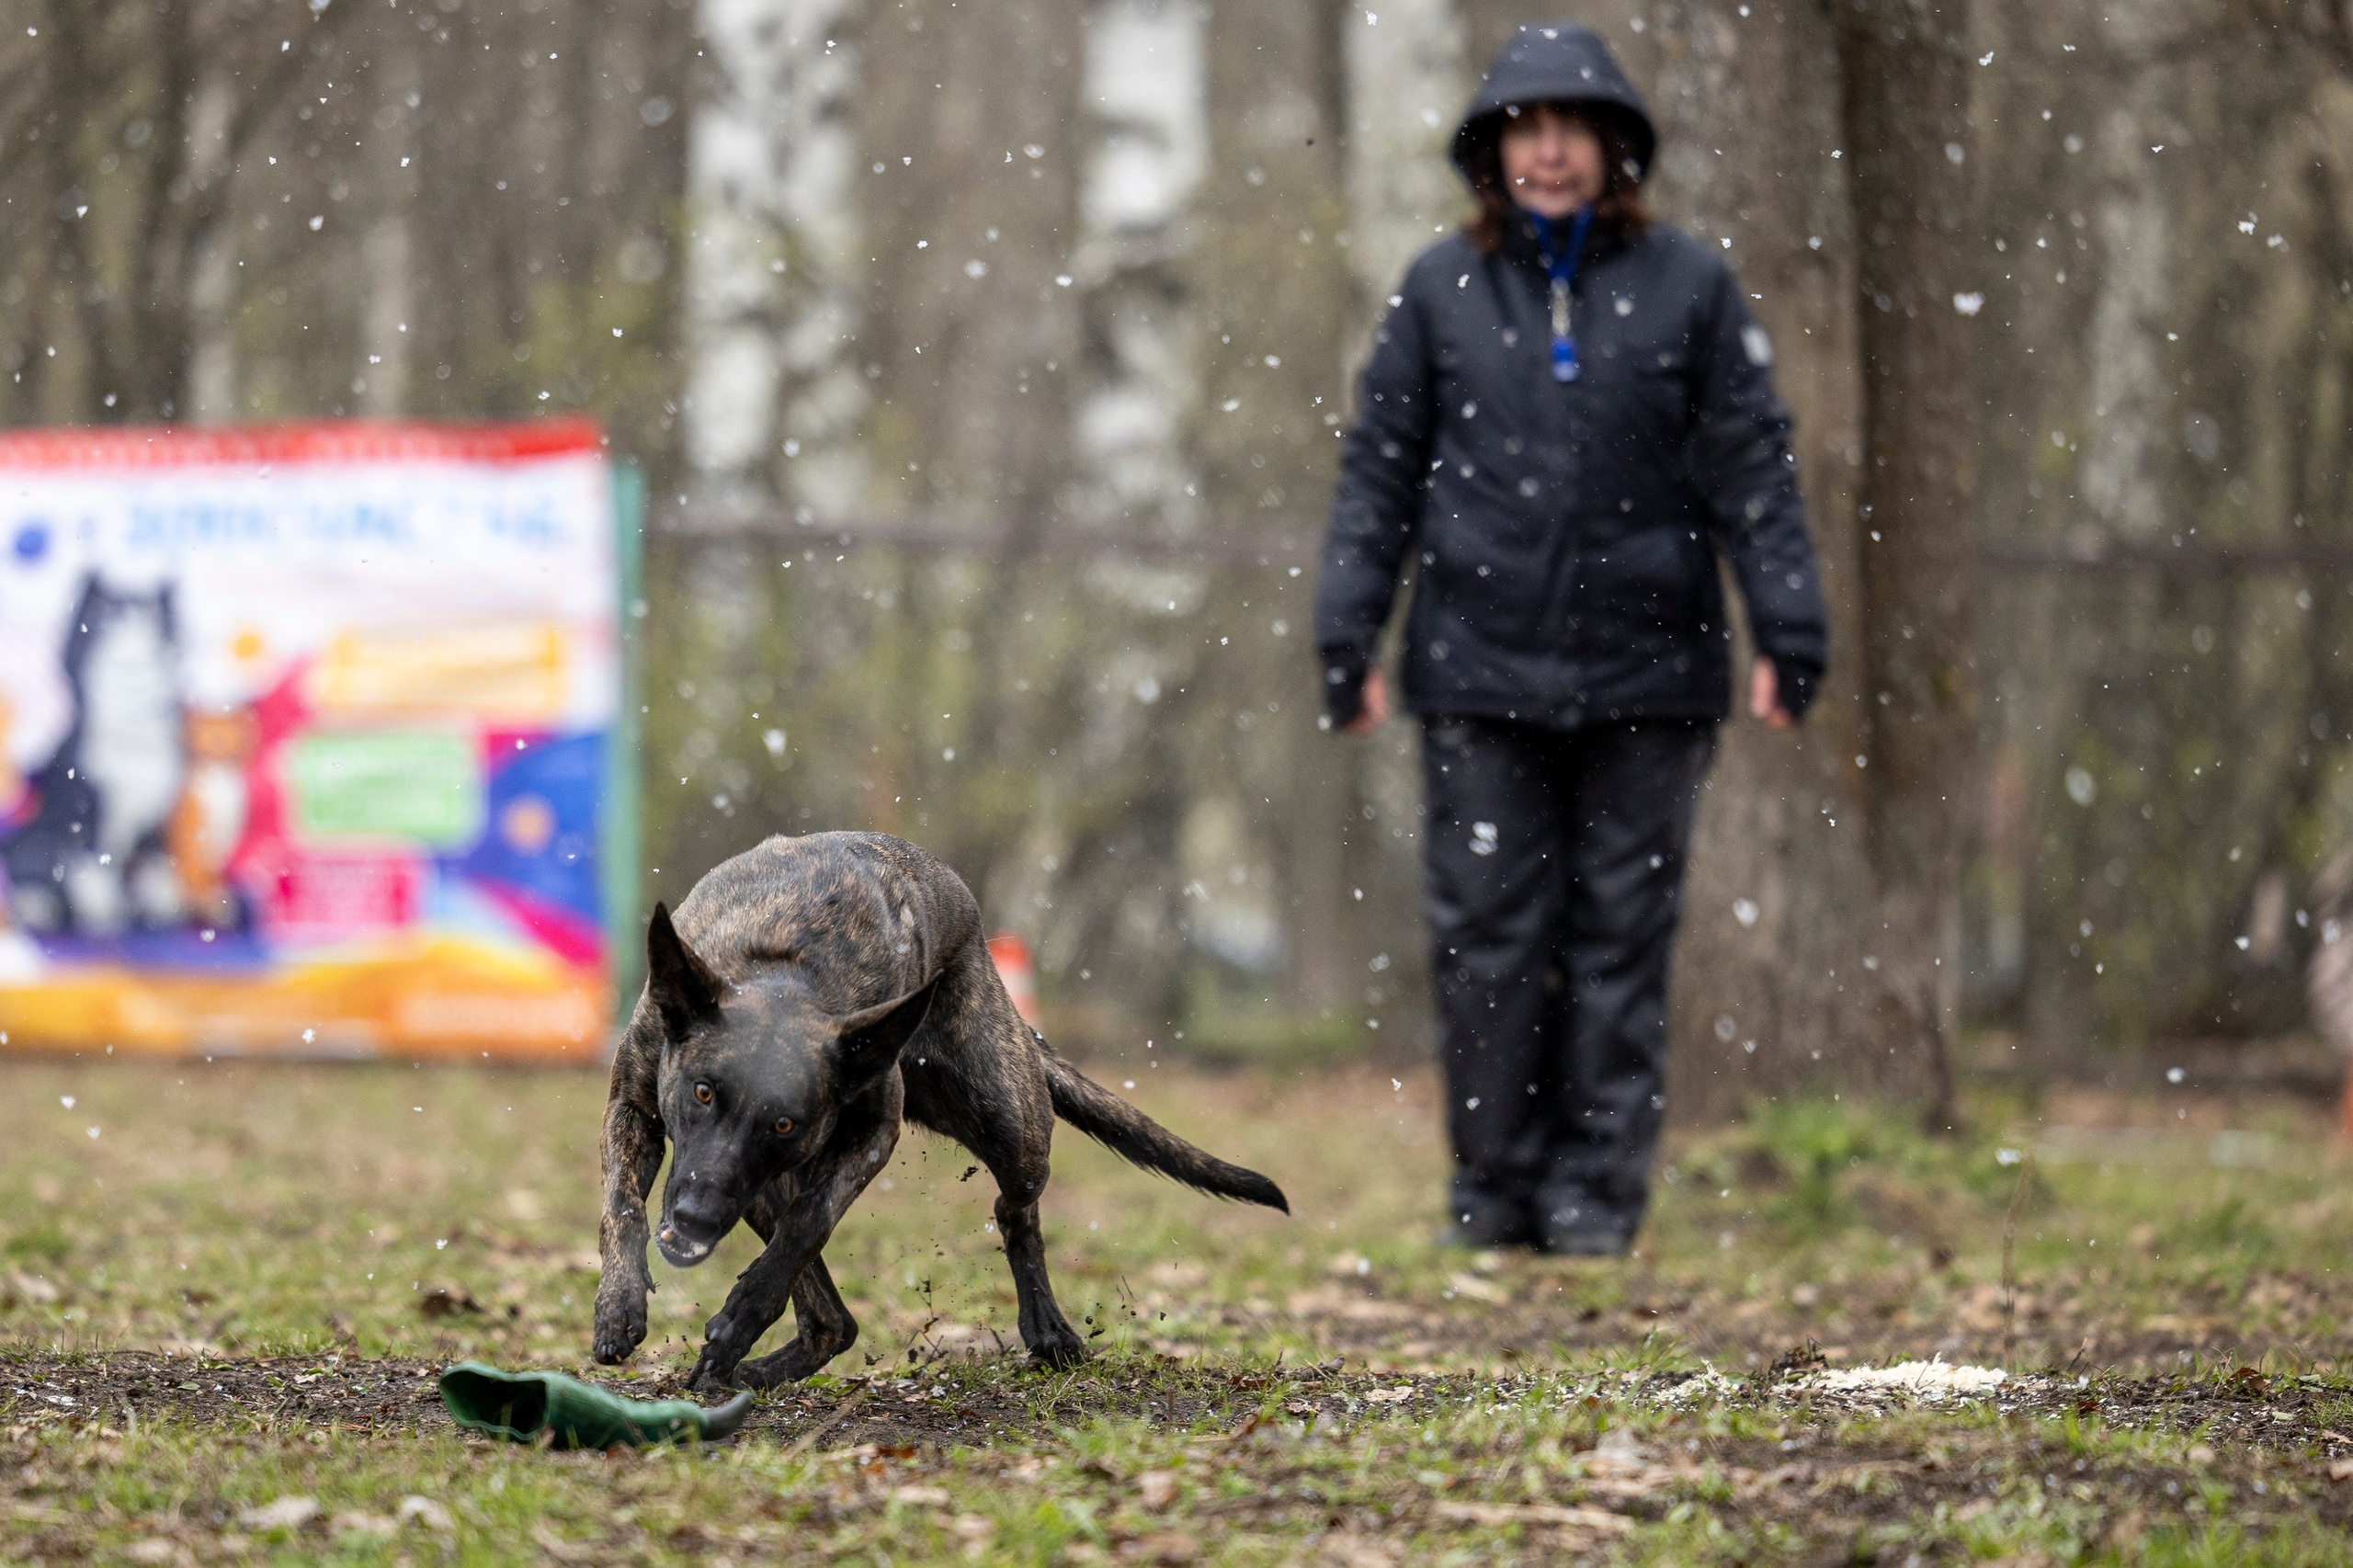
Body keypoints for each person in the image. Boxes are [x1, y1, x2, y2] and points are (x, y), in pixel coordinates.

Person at [1313, 22, 1827, 1256]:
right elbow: (1379, 473)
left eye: (1570, 129)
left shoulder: (1691, 291)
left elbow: (1753, 464)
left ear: (1614, 149)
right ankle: (1493, 1200)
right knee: (1489, 944)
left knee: (1619, 947)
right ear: (1492, 152)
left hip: (1652, 679)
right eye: (1523, 130)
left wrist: (1789, 625)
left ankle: (1598, 1201)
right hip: (1478, 678)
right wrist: (1347, 635)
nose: (1547, 152)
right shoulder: (1439, 292)